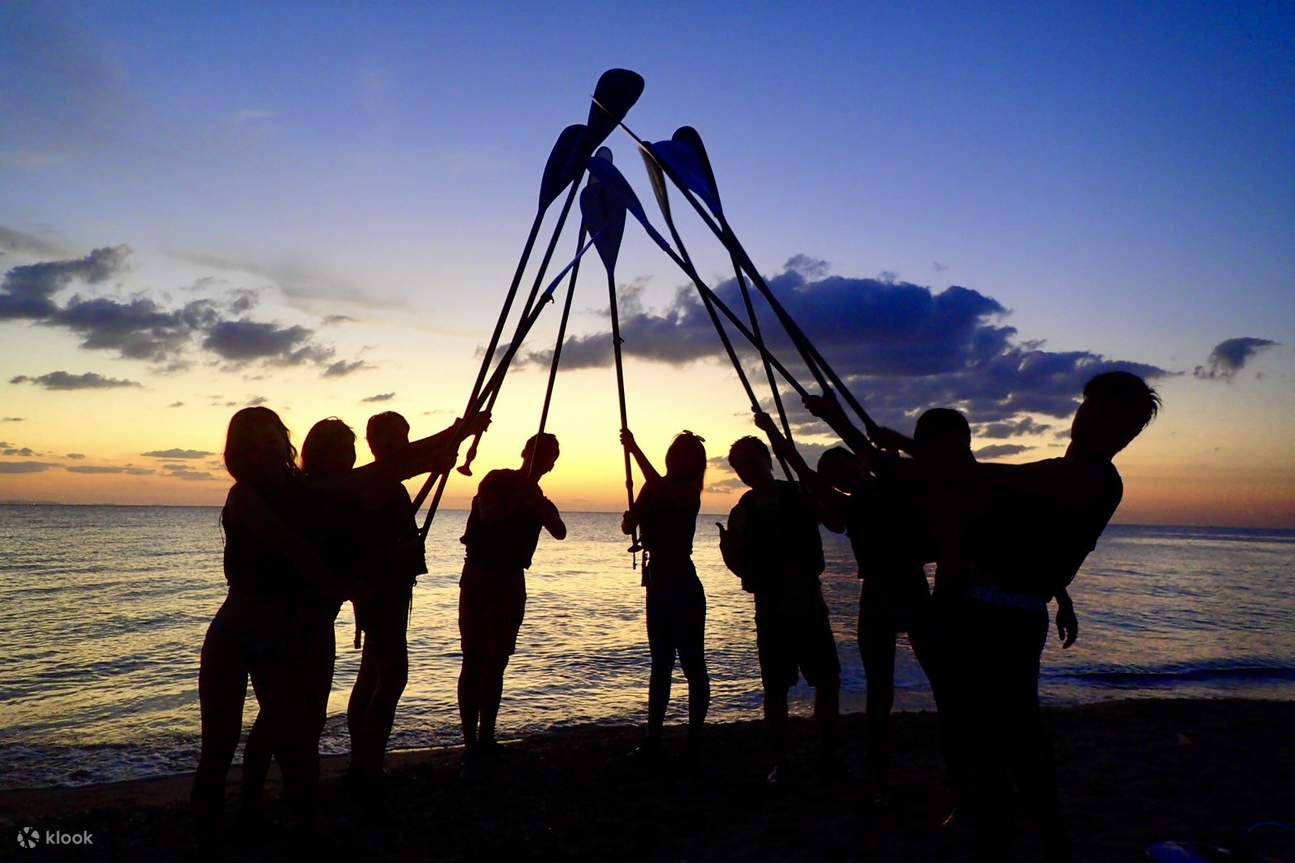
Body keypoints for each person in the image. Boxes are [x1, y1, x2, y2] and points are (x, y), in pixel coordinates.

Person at [192, 406, 486, 834]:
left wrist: (456, 434)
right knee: (218, 748)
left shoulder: (311, 489)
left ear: (285, 443)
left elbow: (388, 470)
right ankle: (212, 834)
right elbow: (297, 553)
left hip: (288, 635)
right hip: (235, 634)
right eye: (250, 444)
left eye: (271, 440)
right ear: (236, 453)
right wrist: (357, 581)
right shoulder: (247, 497)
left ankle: (295, 824)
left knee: (297, 742)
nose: (263, 451)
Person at [954, 371, 1160, 863]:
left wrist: (914, 455)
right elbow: (1037, 541)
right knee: (1006, 736)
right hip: (1004, 614)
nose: (1085, 417)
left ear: (1123, 431)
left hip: (1003, 620)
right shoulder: (1069, 473)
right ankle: (1034, 836)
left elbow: (979, 477)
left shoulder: (1086, 477)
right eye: (1086, 406)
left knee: (1006, 739)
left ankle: (1026, 839)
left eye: (1101, 412)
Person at [719, 410, 844, 785]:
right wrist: (729, 553)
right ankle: (780, 761)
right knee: (776, 691)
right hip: (771, 611)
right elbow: (741, 566)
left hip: (809, 605)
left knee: (827, 682)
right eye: (741, 467)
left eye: (752, 463)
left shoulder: (799, 493)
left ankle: (828, 755)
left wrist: (773, 431)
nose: (748, 472)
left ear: (768, 461)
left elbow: (835, 520)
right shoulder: (743, 511)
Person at [457, 432, 566, 778]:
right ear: (525, 452)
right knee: (474, 657)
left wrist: (537, 507)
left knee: (498, 660)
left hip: (511, 579)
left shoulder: (538, 496)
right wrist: (518, 502)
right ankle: (469, 741)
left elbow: (560, 530)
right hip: (480, 575)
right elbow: (489, 517)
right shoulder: (497, 479)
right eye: (542, 453)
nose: (547, 460)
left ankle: (486, 736)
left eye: (551, 455)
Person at [619, 429, 711, 763]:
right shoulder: (654, 486)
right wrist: (630, 522)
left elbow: (663, 491)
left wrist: (634, 448)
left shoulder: (688, 492)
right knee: (660, 664)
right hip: (657, 582)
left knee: (691, 663)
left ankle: (695, 736)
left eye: (686, 455)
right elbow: (635, 522)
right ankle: (654, 738)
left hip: (682, 583)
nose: (678, 458)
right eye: (676, 451)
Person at [345, 411, 426, 791]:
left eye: (408, 436)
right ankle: (369, 764)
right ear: (379, 441)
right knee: (391, 679)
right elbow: (369, 548)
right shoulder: (377, 484)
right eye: (400, 437)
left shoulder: (386, 484)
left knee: (371, 675)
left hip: (384, 591)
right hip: (381, 593)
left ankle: (361, 760)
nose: (406, 444)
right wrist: (403, 549)